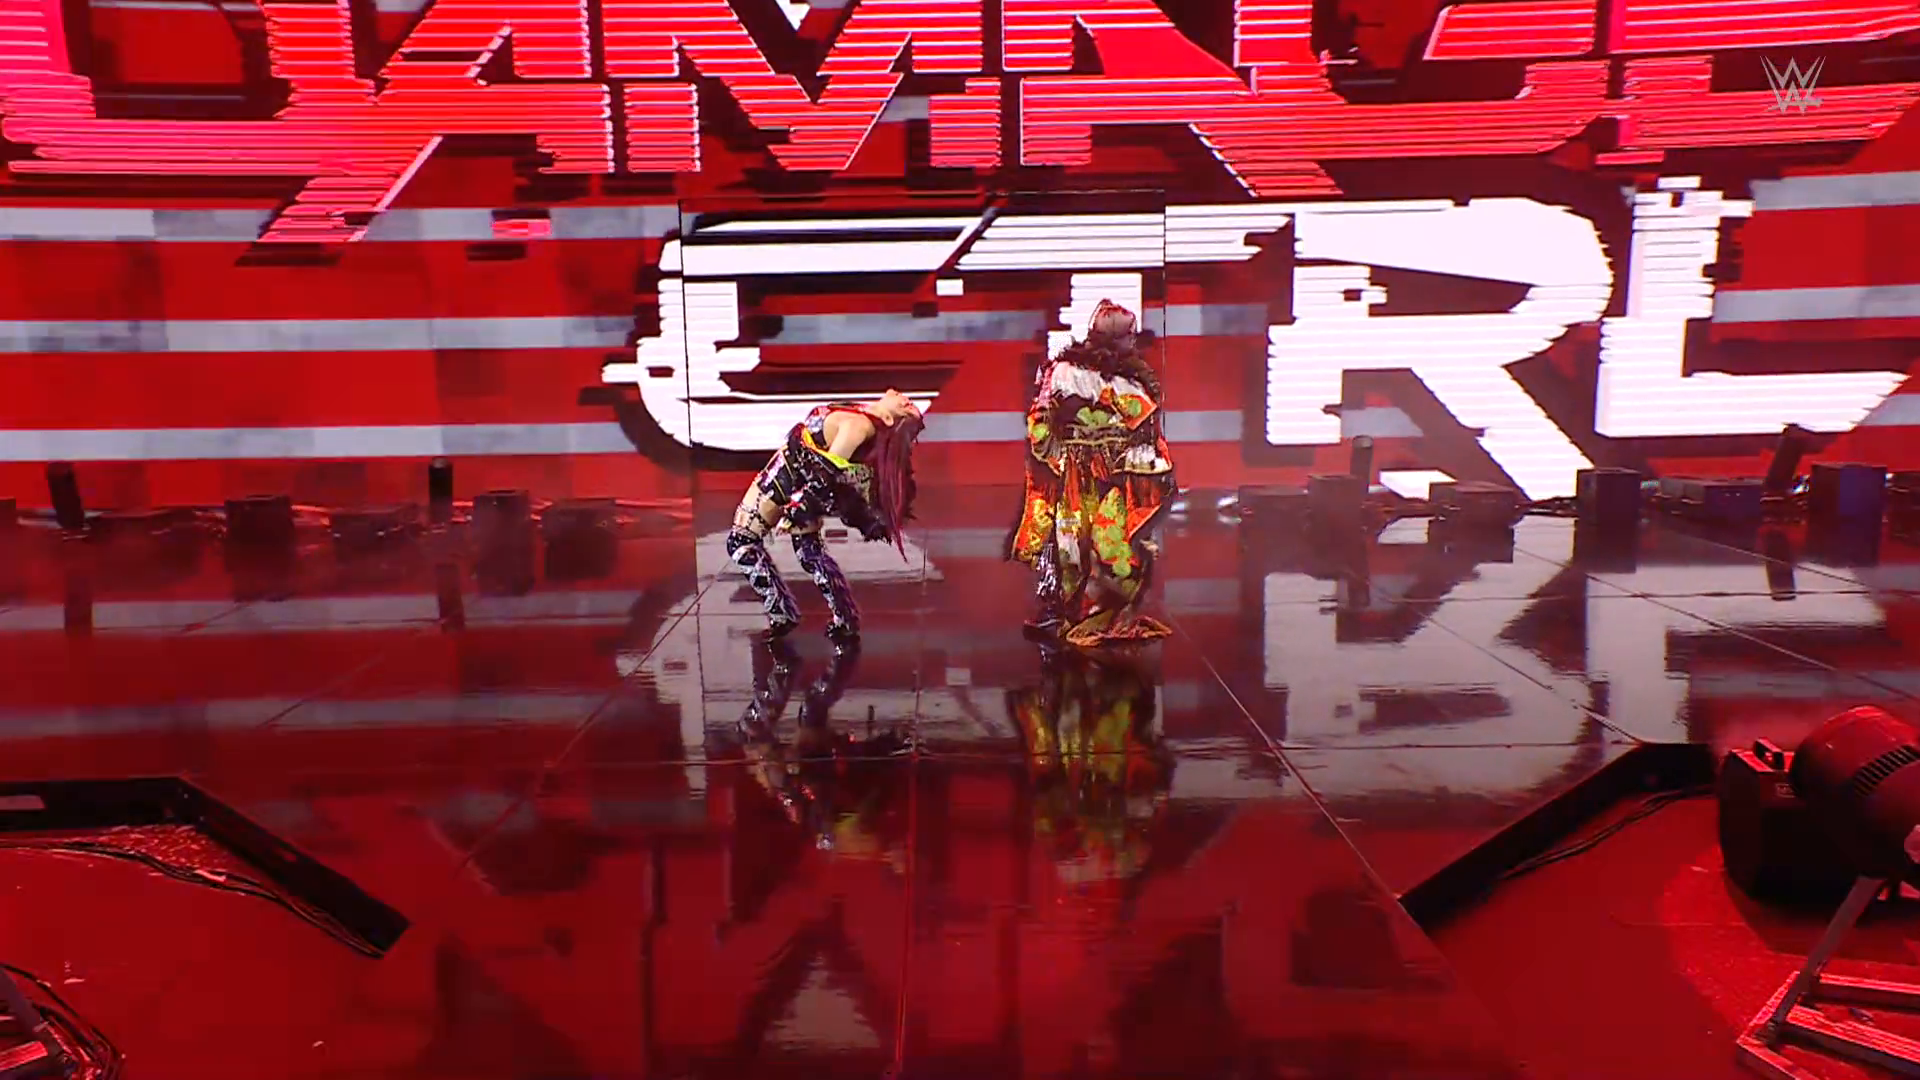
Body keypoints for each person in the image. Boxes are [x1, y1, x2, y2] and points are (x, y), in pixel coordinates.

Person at [1008, 300, 1175, 647]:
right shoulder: (1066, 372)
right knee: (1070, 544)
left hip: (1116, 475)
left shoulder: (1134, 380)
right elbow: (1043, 417)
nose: (1134, 342)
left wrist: (1142, 465)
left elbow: (1144, 430)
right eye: (1128, 335)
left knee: (1111, 540)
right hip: (1075, 473)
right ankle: (1065, 611)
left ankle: (1104, 610)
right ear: (1114, 338)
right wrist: (1057, 452)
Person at [726, 391, 924, 643]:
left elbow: (823, 475)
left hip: (788, 478)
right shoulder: (864, 415)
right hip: (797, 477)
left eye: (907, 405)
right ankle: (844, 617)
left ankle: (782, 613)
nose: (904, 397)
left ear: (888, 419)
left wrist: (797, 511)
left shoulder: (858, 427)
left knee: (740, 542)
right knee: (809, 552)